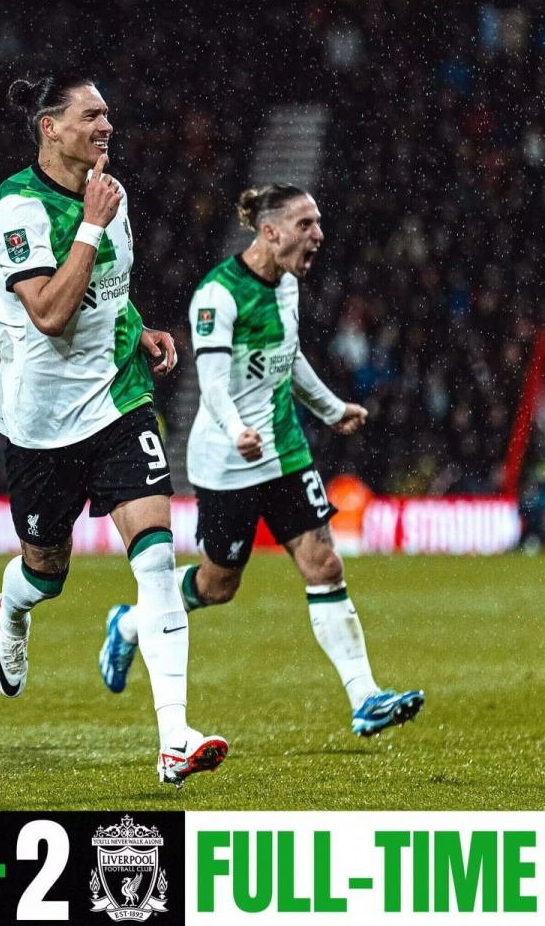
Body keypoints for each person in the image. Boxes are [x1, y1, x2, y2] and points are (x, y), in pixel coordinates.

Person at [100, 184, 424, 738]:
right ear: (269, 232)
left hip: (286, 450)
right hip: (227, 461)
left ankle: (365, 697)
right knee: (219, 585)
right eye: (305, 225)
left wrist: (330, 409)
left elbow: (288, 358)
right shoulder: (218, 295)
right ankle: (129, 624)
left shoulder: (288, 285)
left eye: (318, 222)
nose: (318, 235)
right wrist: (237, 432)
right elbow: (212, 383)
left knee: (325, 564)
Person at [0, 72, 227, 787]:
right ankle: (13, 607)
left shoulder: (108, 195)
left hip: (118, 400)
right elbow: (50, 315)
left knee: (156, 556)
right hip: (41, 420)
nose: (106, 126)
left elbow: (107, 292)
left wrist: (138, 328)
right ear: (50, 127)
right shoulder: (18, 210)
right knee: (45, 572)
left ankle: (174, 737)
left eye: (108, 115)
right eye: (91, 116)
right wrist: (89, 222)